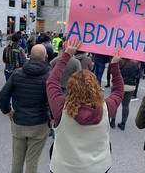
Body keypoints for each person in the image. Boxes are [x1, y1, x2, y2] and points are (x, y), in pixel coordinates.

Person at [46, 39, 124, 173]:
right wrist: (114, 65)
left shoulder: (61, 108)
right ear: (96, 88)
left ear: (71, 88)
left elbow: (52, 82)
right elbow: (118, 90)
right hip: (98, 167)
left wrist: (67, 55)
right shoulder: (106, 107)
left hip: (64, 168)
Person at [0, 44, 51, 173]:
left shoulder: (17, 73)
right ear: (46, 57)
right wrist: (53, 117)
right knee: (32, 162)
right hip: (39, 122)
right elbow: (54, 101)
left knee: (17, 161)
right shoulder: (50, 77)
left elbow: (3, 96)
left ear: (29, 56)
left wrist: (7, 110)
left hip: (19, 121)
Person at [110, 58, 137, 130]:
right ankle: (123, 124)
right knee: (126, 105)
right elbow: (137, 75)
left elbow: (113, 72)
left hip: (119, 85)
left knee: (114, 103)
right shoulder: (135, 63)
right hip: (130, 86)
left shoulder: (119, 61)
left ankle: (112, 121)